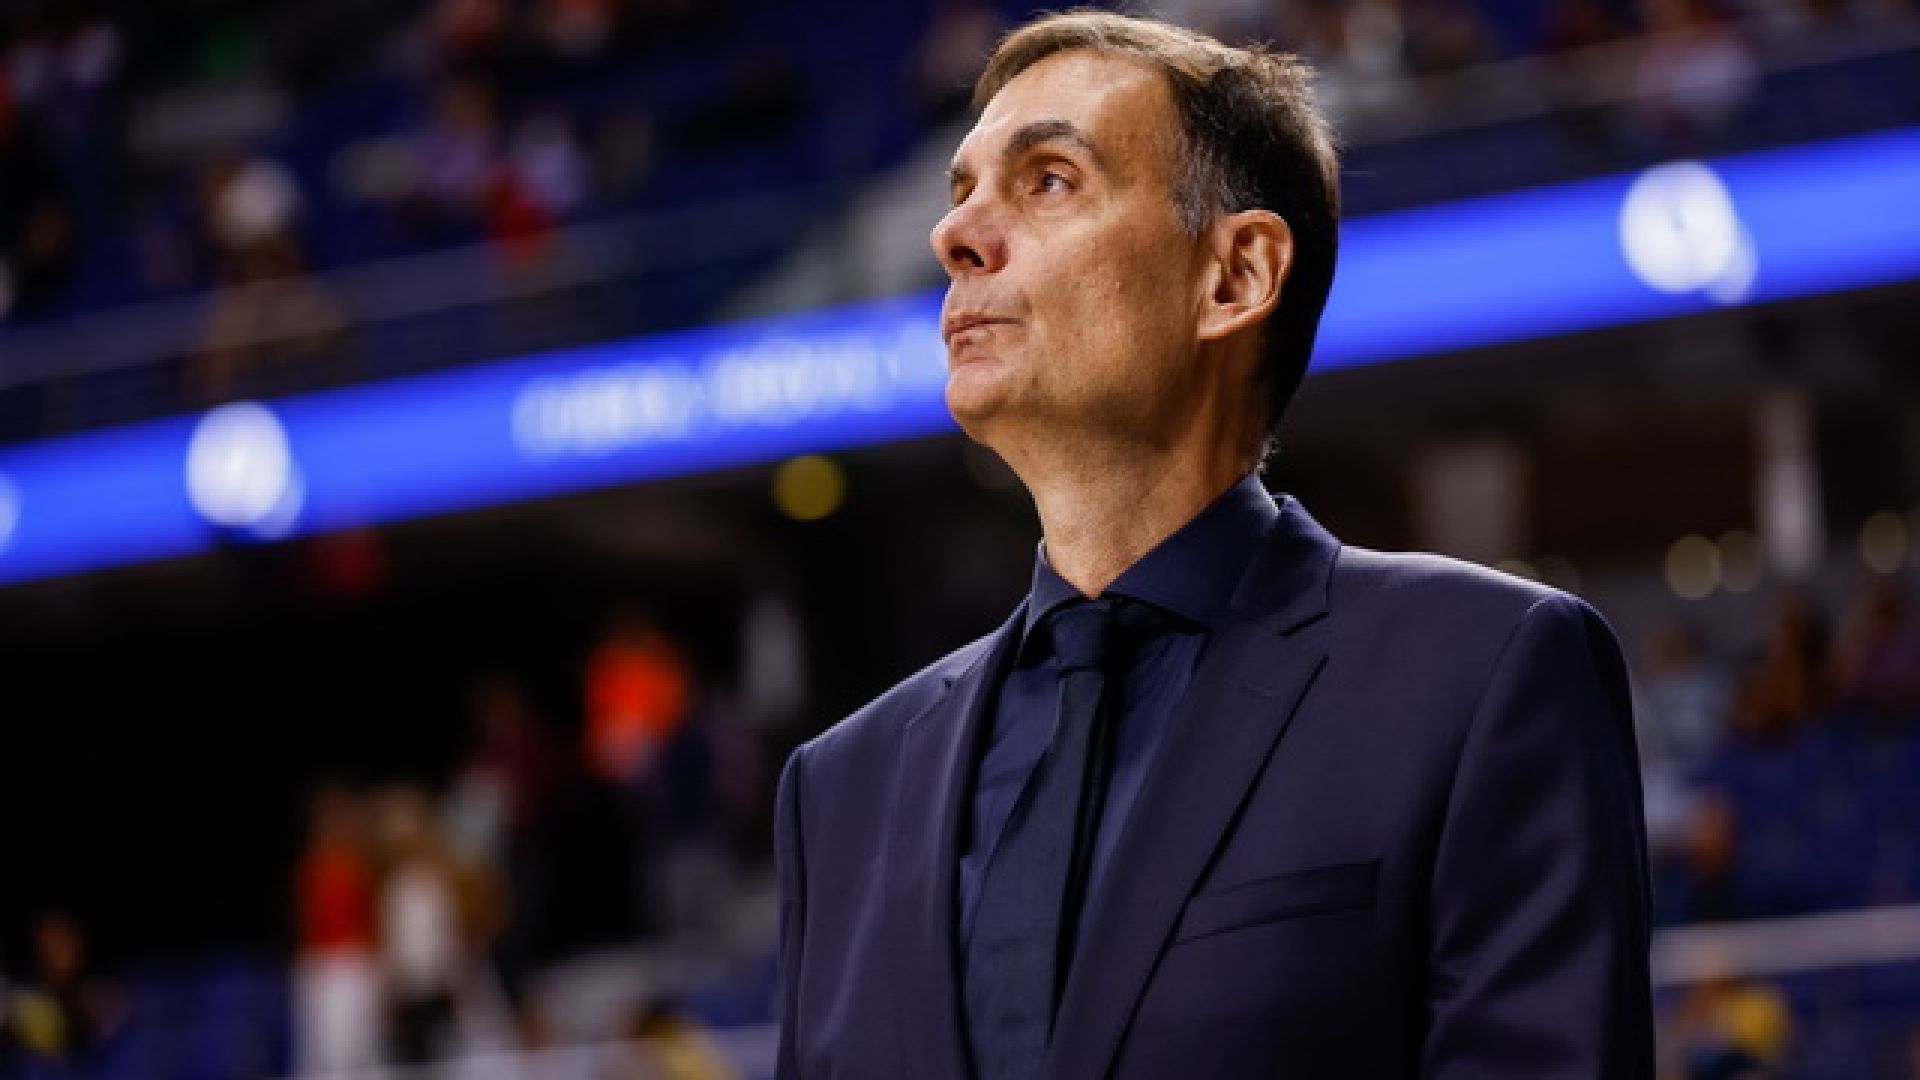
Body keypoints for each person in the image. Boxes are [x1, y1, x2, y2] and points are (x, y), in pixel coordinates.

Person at [772, 10, 1653, 1080]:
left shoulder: (1482, 673)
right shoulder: (840, 789)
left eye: (1048, 180)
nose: (953, 234)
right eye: (961, 191)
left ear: (1235, 274)